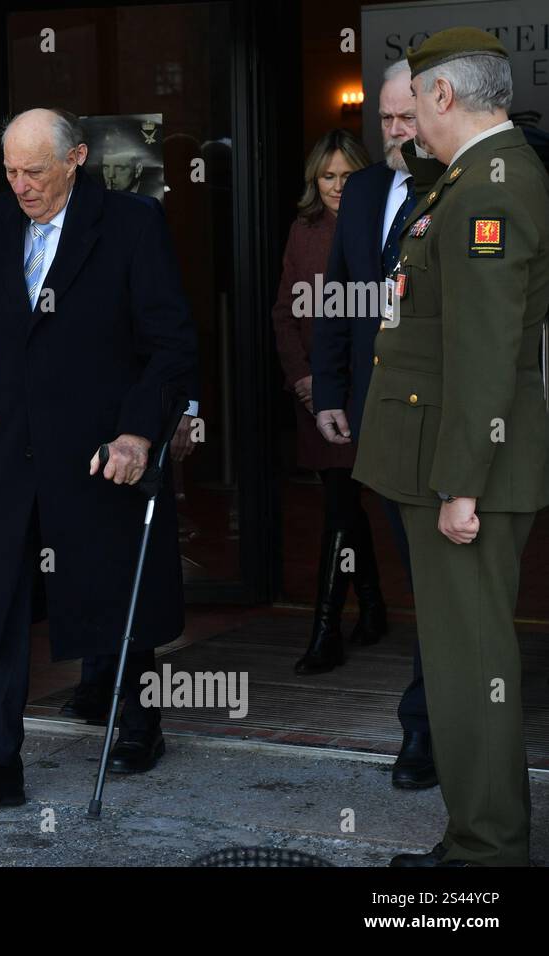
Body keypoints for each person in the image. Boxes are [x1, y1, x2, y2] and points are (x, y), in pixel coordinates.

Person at [0, 108, 198, 802]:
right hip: (10, 445)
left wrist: (139, 434)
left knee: (109, 584)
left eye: (36, 171)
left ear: (77, 157)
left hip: (99, 443)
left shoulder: (132, 224)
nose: (21, 185)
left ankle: (135, 721)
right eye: (11, 171)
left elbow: (169, 344)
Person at [353, 27, 549, 867]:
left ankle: (486, 854)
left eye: (411, 109)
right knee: (459, 659)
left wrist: (461, 483)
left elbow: (484, 350)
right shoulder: (469, 178)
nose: (399, 130)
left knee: (471, 668)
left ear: (442, 96)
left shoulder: (491, 189)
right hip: (445, 459)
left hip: (465, 469)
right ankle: (481, 838)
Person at [311, 59, 438, 790]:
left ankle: (424, 730)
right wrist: (330, 388)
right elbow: (339, 295)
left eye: (405, 118)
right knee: (411, 562)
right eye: (385, 120)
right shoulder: (360, 192)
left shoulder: (458, 187)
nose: (394, 132)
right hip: (372, 411)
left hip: (440, 419)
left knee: (438, 575)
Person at [271, 130, 379, 676]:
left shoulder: (385, 223)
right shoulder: (303, 230)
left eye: (347, 175)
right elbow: (284, 313)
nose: (337, 186)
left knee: (344, 504)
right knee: (342, 501)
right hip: (317, 394)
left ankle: (329, 630)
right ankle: (361, 616)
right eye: (327, 176)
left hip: (371, 390)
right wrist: (304, 379)